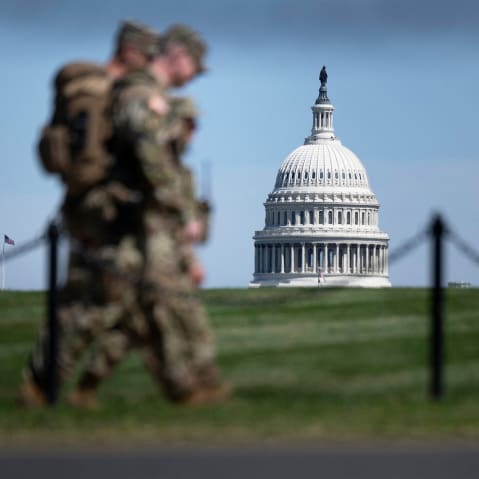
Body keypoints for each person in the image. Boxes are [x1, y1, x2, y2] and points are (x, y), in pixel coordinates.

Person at [68, 25, 230, 408]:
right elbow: (151, 170)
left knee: (139, 322)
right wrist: (183, 218)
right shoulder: (143, 101)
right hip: (140, 235)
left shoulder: (178, 162)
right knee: (126, 314)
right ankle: (52, 385)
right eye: (189, 123)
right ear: (178, 57)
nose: (193, 131)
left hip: (150, 236)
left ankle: (187, 387)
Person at [18, 20, 159, 407]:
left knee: (79, 298)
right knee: (103, 301)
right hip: (106, 208)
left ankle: (57, 385)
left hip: (76, 201)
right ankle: (49, 384)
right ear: (130, 52)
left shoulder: (74, 88)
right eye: (146, 55)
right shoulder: (114, 94)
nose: (148, 64)